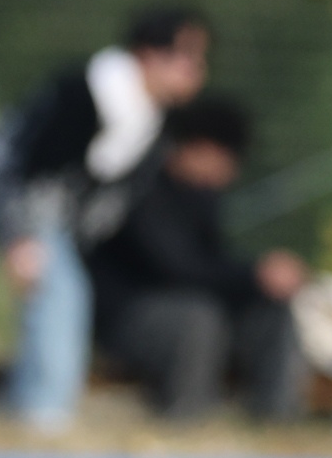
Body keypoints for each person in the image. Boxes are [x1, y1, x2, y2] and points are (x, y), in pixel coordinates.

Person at [0, 8, 209, 432]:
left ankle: (24, 405)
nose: (197, 72)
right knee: (59, 290)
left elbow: (108, 204)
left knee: (65, 289)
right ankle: (41, 414)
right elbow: (30, 169)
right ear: (149, 55)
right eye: (188, 59)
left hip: (59, 220)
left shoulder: (151, 122)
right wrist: (20, 237)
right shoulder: (90, 92)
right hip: (13, 200)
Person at [87, 95, 308, 421]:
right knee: (198, 317)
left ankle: (276, 419)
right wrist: (255, 275)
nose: (229, 173)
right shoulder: (140, 186)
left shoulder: (202, 195)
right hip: (129, 317)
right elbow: (176, 268)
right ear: (201, 148)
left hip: (192, 308)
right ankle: (189, 419)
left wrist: (261, 282)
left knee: (271, 309)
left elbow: (212, 263)